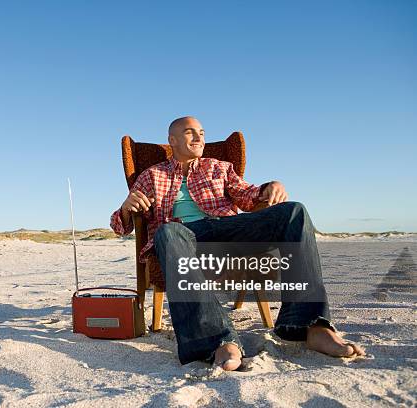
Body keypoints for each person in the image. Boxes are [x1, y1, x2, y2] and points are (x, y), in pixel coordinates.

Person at [110, 116, 365, 371]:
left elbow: (247, 195)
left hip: (227, 228)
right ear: (172, 140)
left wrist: (269, 187)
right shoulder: (152, 175)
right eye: (190, 133)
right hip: (181, 236)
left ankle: (312, 326)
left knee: (294, 212)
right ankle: (217, 340)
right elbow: (121, 226)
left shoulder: (219, 167)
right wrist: (125, 209)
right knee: (166, 233)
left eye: (201, 132)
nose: (199, 137)